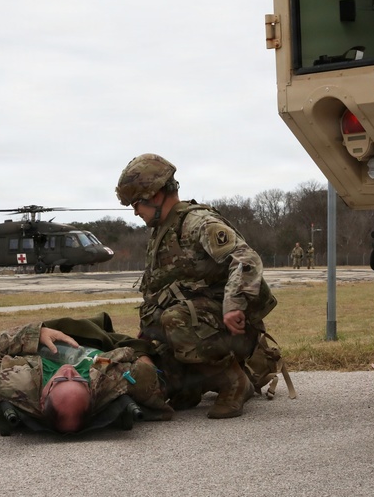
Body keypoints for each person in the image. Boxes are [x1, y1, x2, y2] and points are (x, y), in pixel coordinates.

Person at [116, 153, 277, 419]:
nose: (135, 211)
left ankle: (235, 383)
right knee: (155, 362)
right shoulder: (161, 231)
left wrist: (233, 306)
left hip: (230, 328)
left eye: (137, 203)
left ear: (155, 195)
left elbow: (245, 258)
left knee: (174, 318)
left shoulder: (196, 223)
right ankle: (193, 385)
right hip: (198, 325)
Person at [0, 313, 172, 435]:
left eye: (59, 381)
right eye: (78, 380)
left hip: (38, 348)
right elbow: (151, 380)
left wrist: (34, 334)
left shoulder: (15, 381)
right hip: (95, 343)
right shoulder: (109, 384)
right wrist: (145, 360)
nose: (69, 371)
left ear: (42, 398)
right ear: (91, 393)